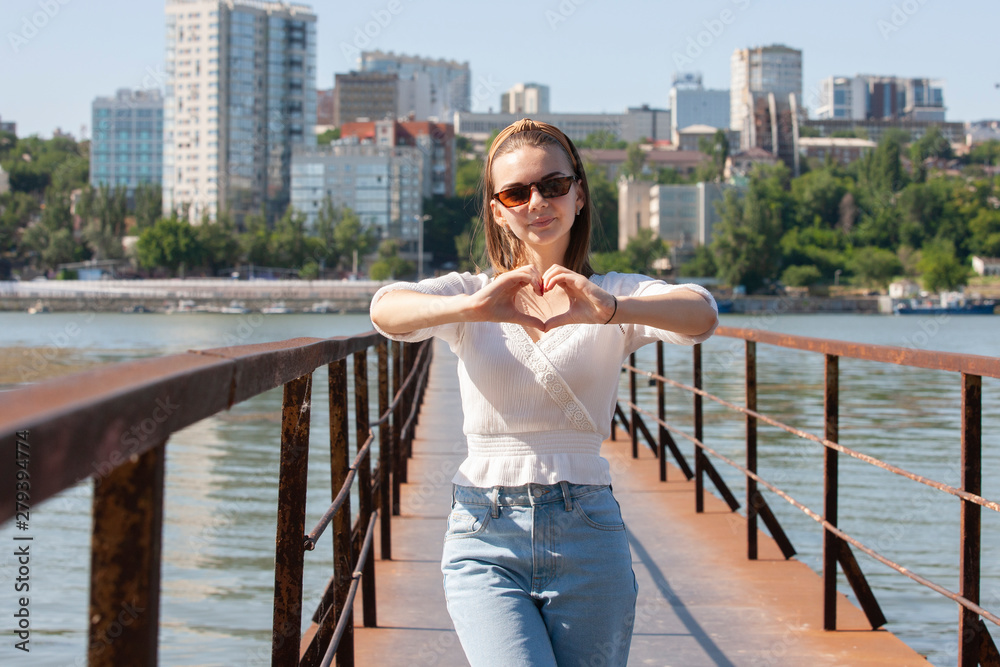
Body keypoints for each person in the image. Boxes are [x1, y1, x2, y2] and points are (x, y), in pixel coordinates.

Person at [369, 119, 718, 666]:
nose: (537, 201)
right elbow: (386, 310)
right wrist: (471, 309)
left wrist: (610, 311)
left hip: (588, 529)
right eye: (516, 191)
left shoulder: (612, 293)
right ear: (497, 210)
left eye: (553, 185)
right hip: (485, 532)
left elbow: (701, 313)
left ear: (578, 193)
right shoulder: (471, 294)